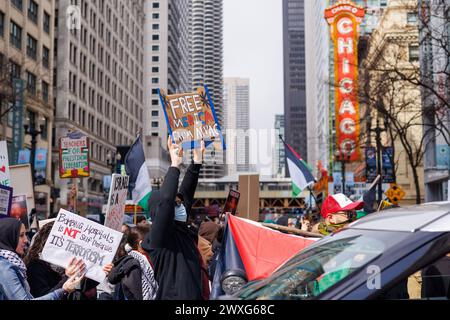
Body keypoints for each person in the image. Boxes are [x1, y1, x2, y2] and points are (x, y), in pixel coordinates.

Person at [141, 136, 208, 300]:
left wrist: (196, 163)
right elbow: (166, 201)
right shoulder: (159, 238)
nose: (181, 207)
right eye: (175, 205)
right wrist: (175, 165)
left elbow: (185, 193)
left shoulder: (182, 233)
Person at [0, 218, 84, 300]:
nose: (26, 240)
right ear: (8, 236)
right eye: (21, 235)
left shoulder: (13, 263)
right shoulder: (5, 268)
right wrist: (64, 289)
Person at [24, 222, 86, 298]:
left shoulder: (67, 263)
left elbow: (83, 287)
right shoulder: (35, 266)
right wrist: (67, 277)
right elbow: (44, 297)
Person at [105, 225, 158, 300]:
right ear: (140, 244)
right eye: (149, 241)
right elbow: (135, 294)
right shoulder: (133, 264)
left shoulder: (148, 259)